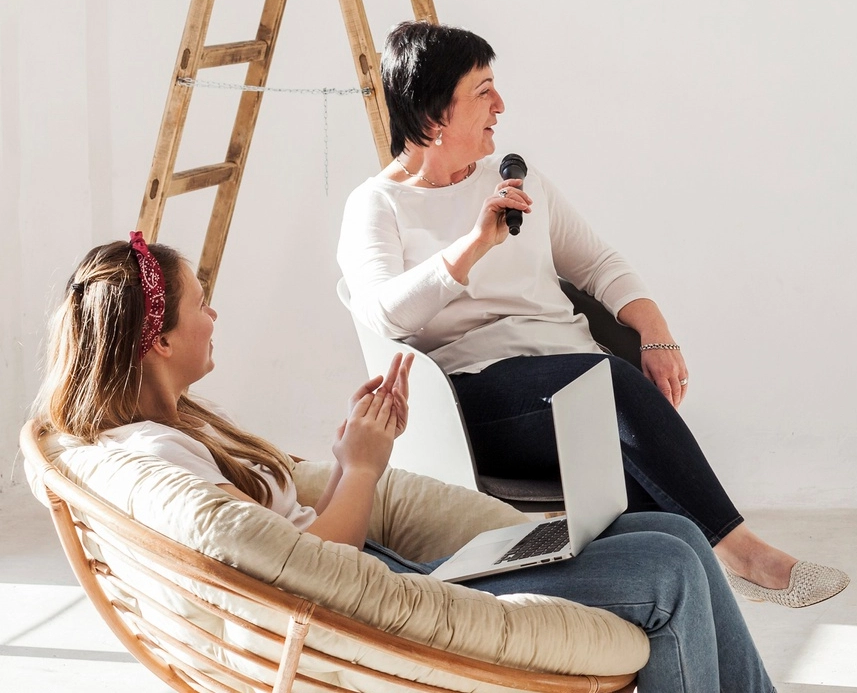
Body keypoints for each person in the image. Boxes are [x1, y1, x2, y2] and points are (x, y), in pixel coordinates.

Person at [34, 236, 775, 693]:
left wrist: (350, 453)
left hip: (380, 578)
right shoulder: (160, 452)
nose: (214, 315)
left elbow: (289, 543)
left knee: (674, 533)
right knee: (670, 569)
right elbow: (316, 568)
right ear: (160, 341)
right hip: (385, 602)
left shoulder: (152, 437)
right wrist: (364, 465)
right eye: (202, 303)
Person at [338, 21, 846, 608]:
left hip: (575, 378)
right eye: (483, 92)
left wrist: (656, 334)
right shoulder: (377, 205)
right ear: (434, 115)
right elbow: (383, 315)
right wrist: (474, 244)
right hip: (473, 399)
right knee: (605, 388)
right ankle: (747, 557)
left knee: (655, 511)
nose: (501, 106)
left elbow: (600, 265)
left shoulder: (518, 181)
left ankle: (683, 604)